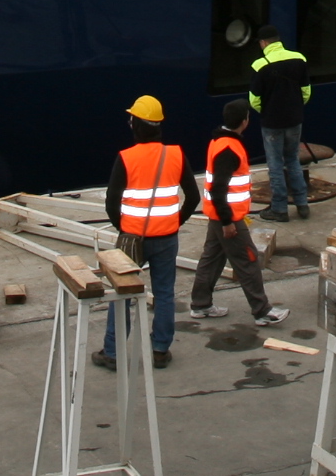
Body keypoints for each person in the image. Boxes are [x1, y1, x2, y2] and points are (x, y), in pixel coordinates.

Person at [99, 97, 184, 370]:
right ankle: (160, 350)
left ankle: (112, 353)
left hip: (132, 239)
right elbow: (192, 197)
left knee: (122, 293)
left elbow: (111, 202)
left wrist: (123, 229)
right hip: (167, 238)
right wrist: (174, 221)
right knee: (164, 293)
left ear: (135, 124)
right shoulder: (176, 154)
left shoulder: (126, 158)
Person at [187, 103, 285, 327]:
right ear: (244, 121)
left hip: (217, 214)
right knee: (248, 259)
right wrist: (228, 222)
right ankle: (262, 311)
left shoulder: (218, 142)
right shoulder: (229, 149)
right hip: (227, 217)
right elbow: (219, 189)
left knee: (211, 259)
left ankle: (201, 305)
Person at [248, 28, 314, 222]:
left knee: (275, 164)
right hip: (295, 120)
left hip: (272, 123)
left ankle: (279, 209)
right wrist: (294, 108)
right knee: (293, 160)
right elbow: (306, 92)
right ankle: (302, 205)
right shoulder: (299, 59)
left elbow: (254, 100)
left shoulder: (260, 65)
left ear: (263, 43)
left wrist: (267, 112)